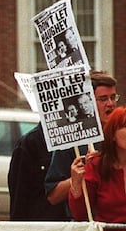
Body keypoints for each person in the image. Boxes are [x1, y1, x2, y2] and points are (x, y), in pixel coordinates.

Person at [45, 70, 118, 215]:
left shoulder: (120, 135)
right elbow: (53, 196)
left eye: (113, 97)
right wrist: (80, 176)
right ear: (87, 102)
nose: (110, 104)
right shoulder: (73, 140)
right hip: (85, 225)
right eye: (103, 99)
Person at [8, 123, 70, 222]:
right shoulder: (29, 143)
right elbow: (19, 200)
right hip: (42, 226)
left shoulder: (82, 143)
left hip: (75, 228)